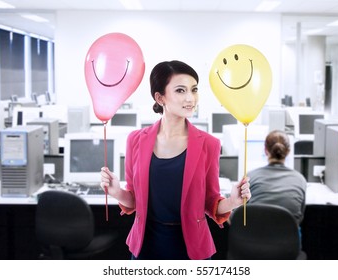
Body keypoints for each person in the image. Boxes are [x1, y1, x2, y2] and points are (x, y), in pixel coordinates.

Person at [100, 60, 251, 260]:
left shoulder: (209, 144)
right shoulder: (136, 141)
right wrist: (117, 192)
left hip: (190, 249)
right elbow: (135, 200)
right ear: (160, 97)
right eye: (181, 90)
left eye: (194, 90)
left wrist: (233, 201)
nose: (190, 98)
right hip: (146, 246)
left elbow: (210, 202)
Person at [247, 130, 307, 227]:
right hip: (289, 239)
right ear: (288, 151)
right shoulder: (300, 179)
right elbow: (300, 217)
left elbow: (239, 216)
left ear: (266, 150)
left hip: (255, 238)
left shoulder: (250, 177)